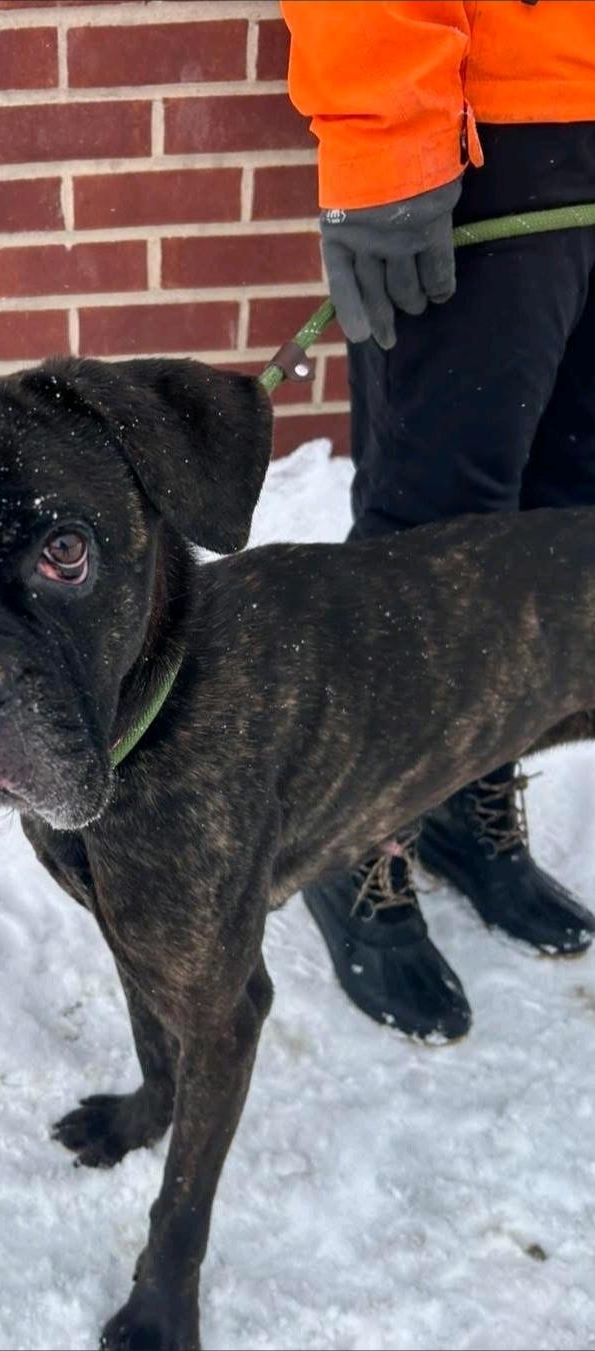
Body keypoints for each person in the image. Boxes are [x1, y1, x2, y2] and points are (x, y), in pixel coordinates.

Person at [280, 0, 595, 1040]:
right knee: (428, 553)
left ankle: (466, 793)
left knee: (557, 531)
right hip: (483, 120)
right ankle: (349, 836)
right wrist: (384, 126)